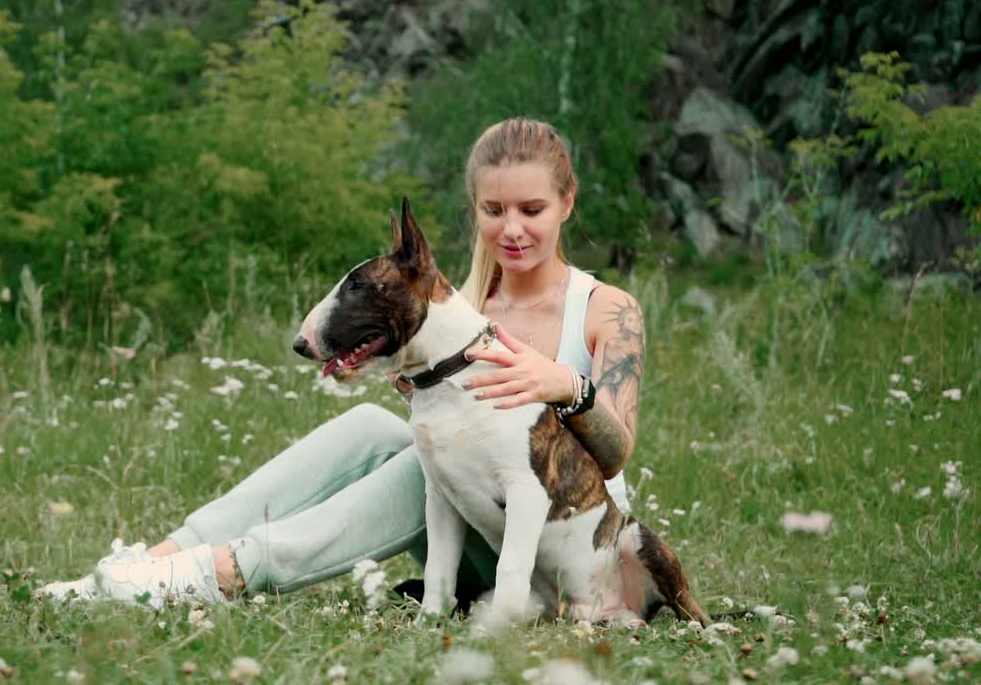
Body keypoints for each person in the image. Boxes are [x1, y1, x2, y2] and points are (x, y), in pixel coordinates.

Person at [39, 118, 647, 610]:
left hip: (567, 547)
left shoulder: (604, 308)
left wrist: (567, 385)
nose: (511, 229)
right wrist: (382, 363)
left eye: (532, 209)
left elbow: (616, 453)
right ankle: (159, 561)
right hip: (477, 531)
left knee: (423, 466)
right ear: (476, 209)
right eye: (494, 210)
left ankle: (223, 573)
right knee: (373, 429)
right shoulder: (455, 309)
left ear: (566, 204)